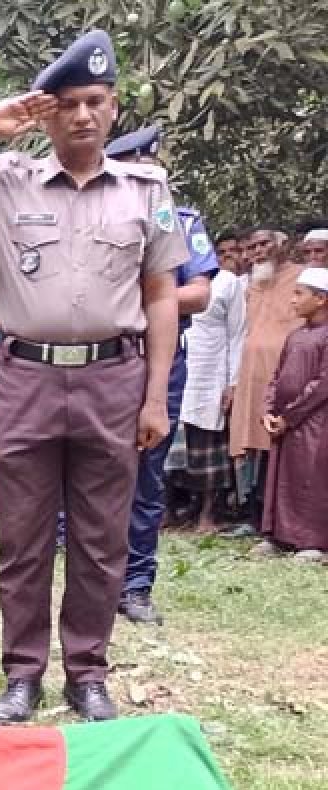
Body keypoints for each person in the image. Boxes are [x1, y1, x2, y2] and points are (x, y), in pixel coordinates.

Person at [0, 28, 188, 723]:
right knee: (21, 538)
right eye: (66, 105)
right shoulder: (6, 183)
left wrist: (155, 396)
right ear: (43, 113)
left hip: (114, 379)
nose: (82, 116)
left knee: (100, 538)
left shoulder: (146, 190)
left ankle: (87, 672)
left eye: (95, 101)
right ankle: (23, 672)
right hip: (23, 378)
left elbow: (161, 296)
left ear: (113, 108)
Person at [93, 125, 219, 624]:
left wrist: (142, 299)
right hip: (103, 359)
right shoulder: (97, 217)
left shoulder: (180, 221)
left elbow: (199, 294)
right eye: (138, 164)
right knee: (95, 475)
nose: (149, 173)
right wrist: (156, 299)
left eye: (152, 164)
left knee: (146, 479)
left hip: (159, 363)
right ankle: (97, 582)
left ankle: (137, 585)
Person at [229, 229, 305, 528]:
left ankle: (280, 518)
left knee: (281, 443)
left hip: (286, 374)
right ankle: (253, 514)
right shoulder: (249, 284)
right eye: (253, 247)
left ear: (282, 245)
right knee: (253, 442)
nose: (259, 251)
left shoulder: (303, 278)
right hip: (250, 376)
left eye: (265, 244)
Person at [255, 267, 328, 558]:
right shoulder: (295, 335)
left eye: (299, 294)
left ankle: (313, 542)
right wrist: (269, 410)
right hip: (286, 422)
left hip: (317, 423)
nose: (293, 300)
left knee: (312, 477)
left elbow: (322, 384)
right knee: (283, 479)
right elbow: (277, 376)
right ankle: (281, 537)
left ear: (321, 299)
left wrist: (290, 416)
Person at [179, 230, 248, 531]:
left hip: (211, 375)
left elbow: (237, 334)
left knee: (207, 445)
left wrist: (232, 382)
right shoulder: (175, 278)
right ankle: (174, 511)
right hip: (179, 369)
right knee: (173, 448)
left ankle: (207, 515)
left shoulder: (227, 283)